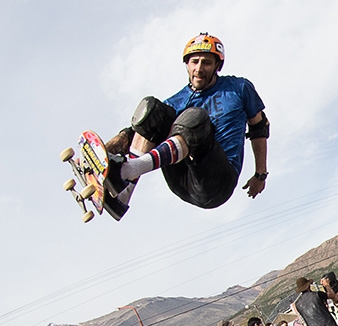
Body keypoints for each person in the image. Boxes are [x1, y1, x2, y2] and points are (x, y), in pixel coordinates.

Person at [99, 33, 269, 220]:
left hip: (217, 183)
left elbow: (259, 128)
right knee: (152, 109)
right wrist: (103, 154)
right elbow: (139, 130)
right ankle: (122, 195)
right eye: (194, 62)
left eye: (206, 63)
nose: (199, 68)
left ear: (216, 66)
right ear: (187, 64)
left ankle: (127, 169)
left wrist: (260, 174)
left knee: (195, 117)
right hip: (181, 180)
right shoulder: (176, 100)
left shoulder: (239, 88)